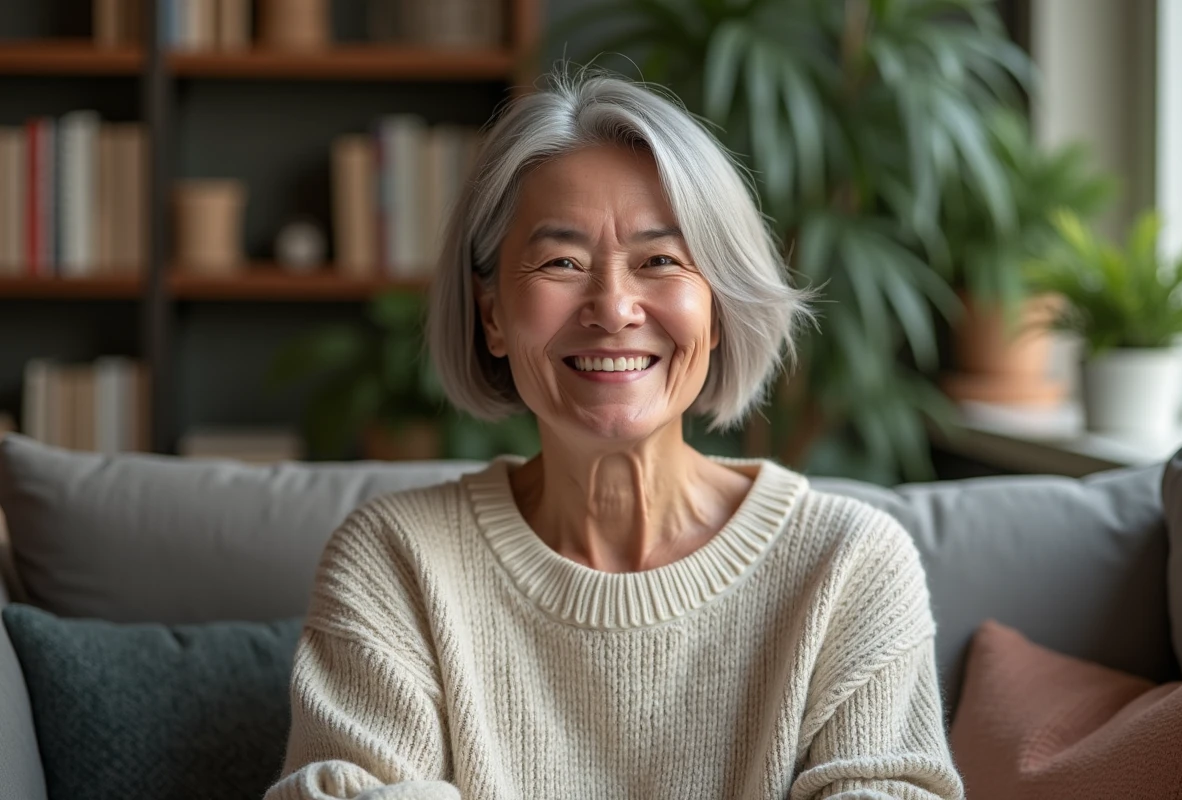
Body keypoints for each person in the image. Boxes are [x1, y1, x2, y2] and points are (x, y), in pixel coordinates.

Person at [264, 67, 964, 800]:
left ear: (718, 307)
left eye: (660, 260)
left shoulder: (849, 565)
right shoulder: (395, 561)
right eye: (561, 262)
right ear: (494, 314)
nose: (613, 306)